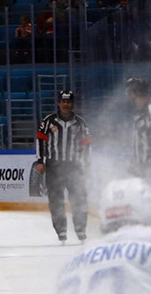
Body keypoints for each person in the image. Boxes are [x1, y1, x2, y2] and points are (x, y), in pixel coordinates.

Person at [35, 90, 91, 244]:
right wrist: (40, 160)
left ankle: (81, 231)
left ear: (72, 104)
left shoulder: (80, 123)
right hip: (54, 166)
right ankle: (61, 232)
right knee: (55, 200)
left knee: (79, 198)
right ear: (59, 103)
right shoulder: (48, 121)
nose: (66, 104)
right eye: (63, 101)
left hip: (74, 166)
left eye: (68, 101)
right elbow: (40, 140)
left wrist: (87, 164)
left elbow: (86, 145)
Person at [125, 77, 151, 183]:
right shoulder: (139, 113)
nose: (130, 96)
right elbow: (139, 143)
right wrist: (134, 163)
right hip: (142, 169)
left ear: (136, 92)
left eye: (131, 92)